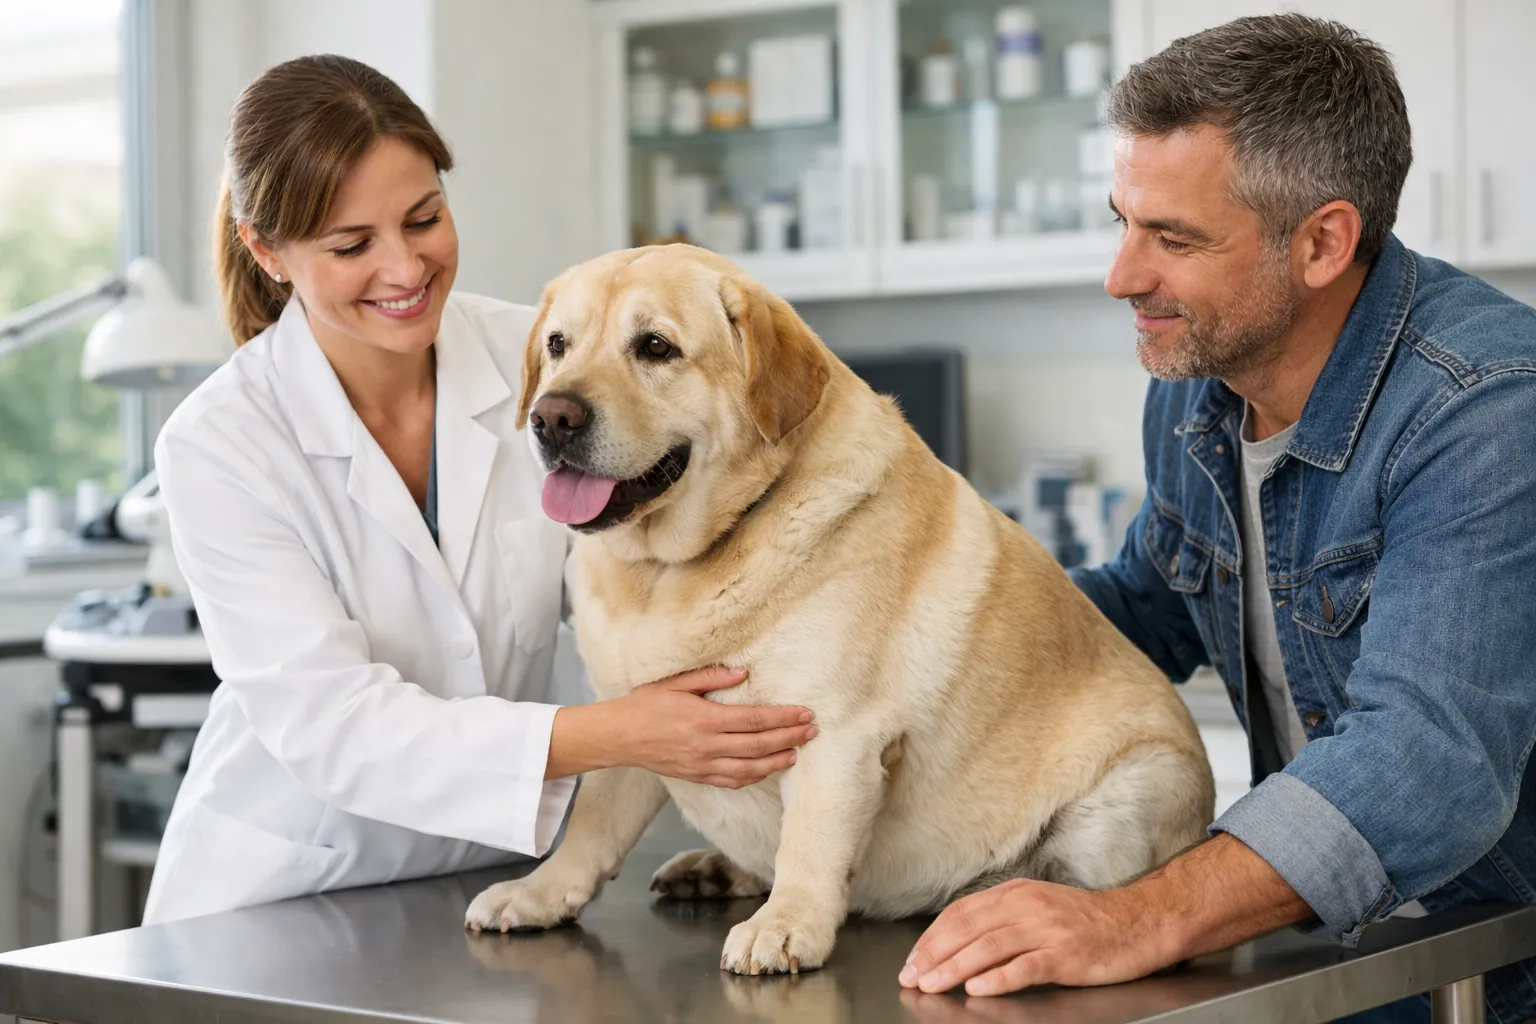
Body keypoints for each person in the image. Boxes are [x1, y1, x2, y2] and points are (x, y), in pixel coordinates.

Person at [899, 15, 1536, 1022]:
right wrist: (901, 645)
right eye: (1123, 221)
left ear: (1323, 240)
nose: (1121, 276)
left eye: (1172, 238)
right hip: (1331, 950)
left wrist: (1136, 916)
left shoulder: (1485, 407)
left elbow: (1426, 760)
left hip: (1489, 973)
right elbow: (1143, 609)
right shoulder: (1199, 385)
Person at [142, 55, 816, 925]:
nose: (405, 269)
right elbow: (334, 725)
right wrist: (622, 732)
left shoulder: (548, 359)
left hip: (489, 881)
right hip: (282, 896)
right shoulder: (220, 442)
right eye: (352, 246)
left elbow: (658, 579)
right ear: (266, 251)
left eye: (424, 218)